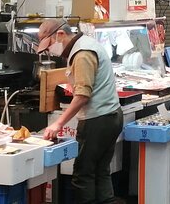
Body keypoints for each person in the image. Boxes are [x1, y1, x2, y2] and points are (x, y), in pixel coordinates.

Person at [38, 19, 122, 204]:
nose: (50, 50)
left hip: (97, 120)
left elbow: (83, 94)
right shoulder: (85, 45)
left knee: (83, 174)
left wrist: (58, 123)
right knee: (100, 171)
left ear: (60, 35)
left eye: (49, 45)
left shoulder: (82, 53)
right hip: (110, 116)